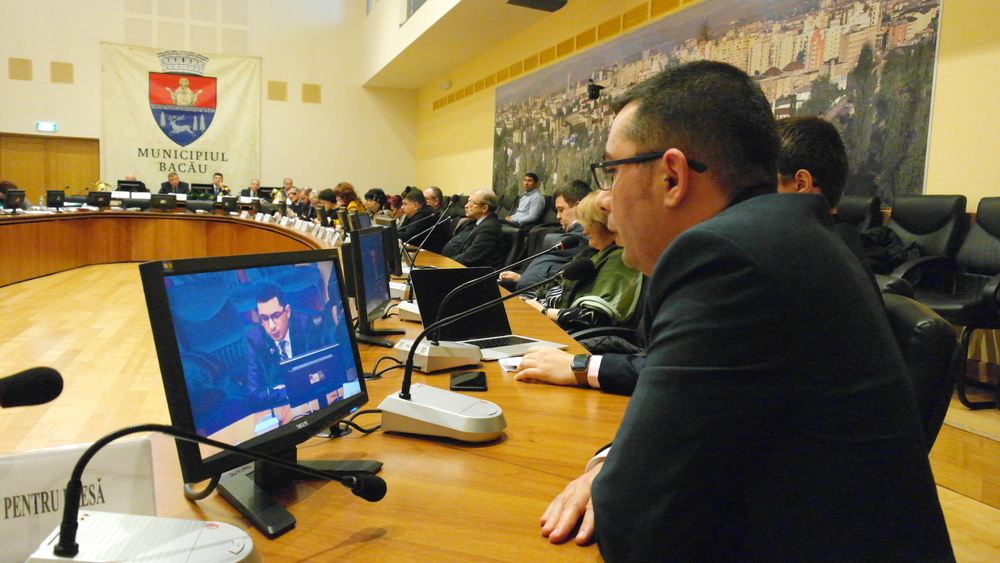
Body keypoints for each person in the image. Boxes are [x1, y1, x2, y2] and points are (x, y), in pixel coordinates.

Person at [539, 61, 951, 561]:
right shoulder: (786, 234)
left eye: (612, 171)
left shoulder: (725, 259)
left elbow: (637, 521)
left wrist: (610, 473)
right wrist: (613, 460)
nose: (604, 201)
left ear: (672, 176)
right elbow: (701, 421)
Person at [523, 192, 642, 332]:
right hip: (544, 317)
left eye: (589, 223)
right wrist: (529, 300)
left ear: (607, 224)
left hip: (566, 332)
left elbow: (593, 317)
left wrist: (543, 311)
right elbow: (552, 287)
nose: (584, 231)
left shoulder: (619, 259)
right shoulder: (592, 253)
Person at [244, 283, 330, 415]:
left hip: (311, 403)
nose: (271, 326)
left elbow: (321, 374)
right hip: (281, 409)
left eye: (276, 315)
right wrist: (290, 391)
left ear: (287, 312)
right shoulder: (255, 339)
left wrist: (279, 390)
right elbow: (254, 396)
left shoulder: (304, 325)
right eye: (264, 318)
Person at [499, 179, 591, 291]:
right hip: (528, 292)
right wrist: (522, 278)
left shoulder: (585, 236)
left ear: (579, 207)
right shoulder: (570, 237)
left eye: (561, 210)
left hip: (540, 297)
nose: (558, 216)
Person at [440, 188, 504, 267]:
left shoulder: (489, 228)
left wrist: (445, 262)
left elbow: (470, 257)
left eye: (471, 202)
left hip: (479, 272)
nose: (466, 206)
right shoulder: (480, 223)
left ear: (484, 208)